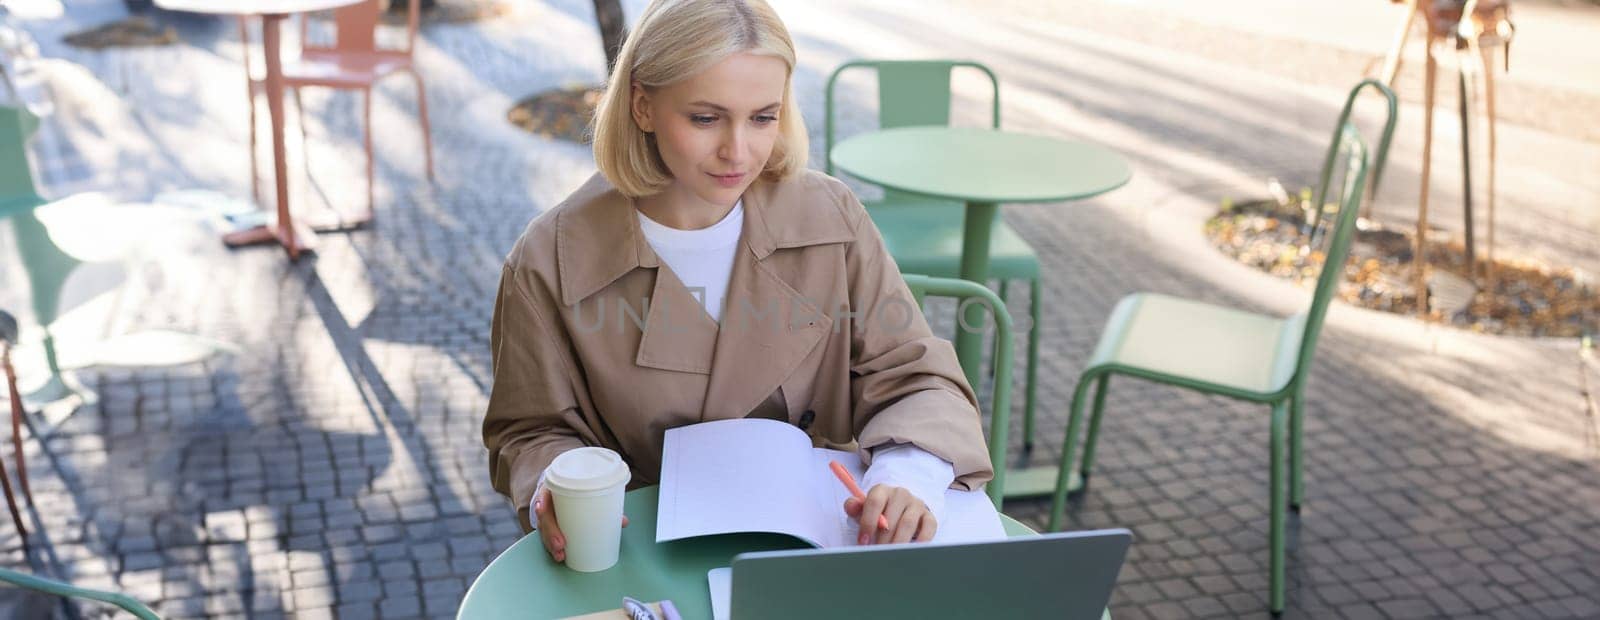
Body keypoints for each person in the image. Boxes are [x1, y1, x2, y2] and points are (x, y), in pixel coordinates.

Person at [482, 0, 992, 565]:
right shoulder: (548, 259)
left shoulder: (831, 216)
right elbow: (528, 430)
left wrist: (909, 476)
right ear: (642, 106)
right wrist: (556, 486)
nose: (739, 151)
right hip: (642, 555)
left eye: (763, 117)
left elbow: (915, 374)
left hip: (827, 542)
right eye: (705, 118)